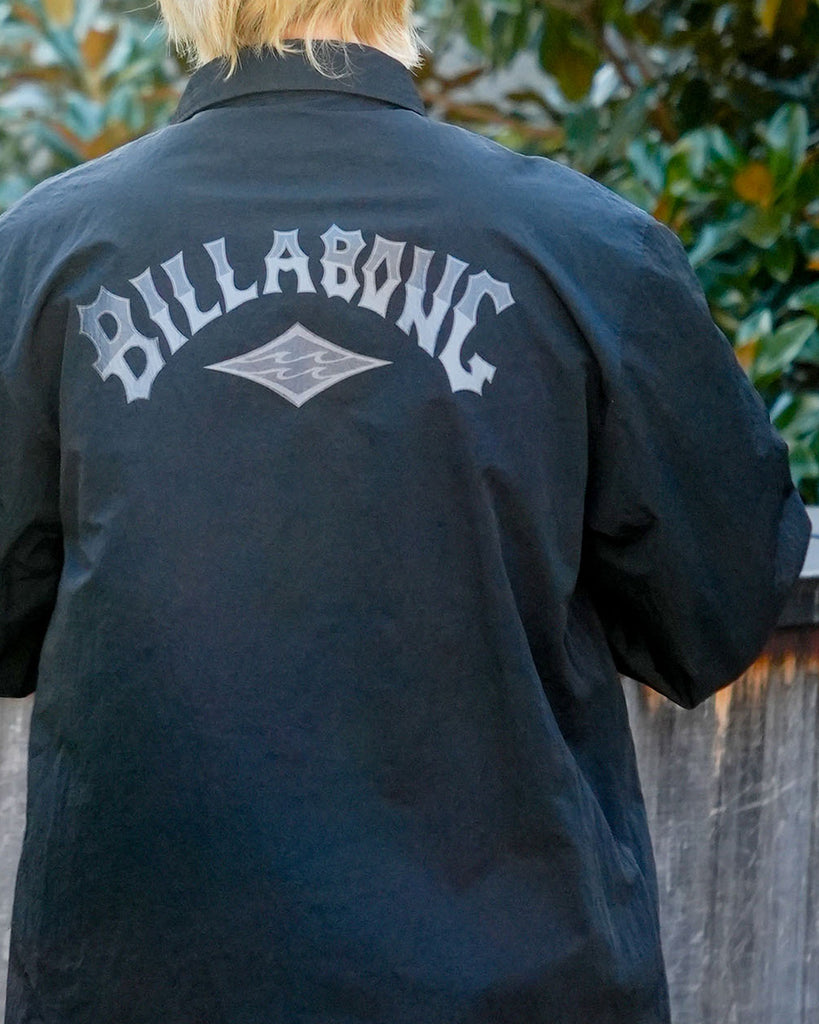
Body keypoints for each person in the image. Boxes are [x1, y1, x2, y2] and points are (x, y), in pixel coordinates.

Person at [0, 1, 810, 1021]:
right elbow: (715, 611)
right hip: (516, 983)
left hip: (144, 985)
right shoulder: (588, 250)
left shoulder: (40, 259)